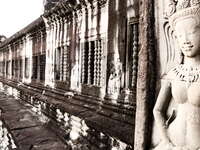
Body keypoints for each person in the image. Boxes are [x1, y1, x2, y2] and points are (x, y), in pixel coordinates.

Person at [153, 1, 200, 150]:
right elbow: (157, 110)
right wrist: (166, 140)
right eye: (180, 35)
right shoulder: (174, 73)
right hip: (171, 142)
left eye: (192, 32)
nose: (185, 40)